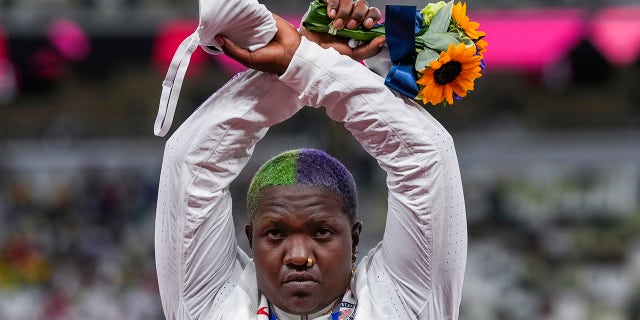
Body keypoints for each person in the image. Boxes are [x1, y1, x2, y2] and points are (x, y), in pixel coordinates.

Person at [154, 7, 467, 320]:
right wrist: (305, 61)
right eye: (275, 234)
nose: (299, 257)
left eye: (322, 233)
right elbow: (190, 163)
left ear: (354, 238)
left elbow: (425, 159)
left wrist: (301, 61)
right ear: (251, 240)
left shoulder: (402, 299)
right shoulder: (213, 304)